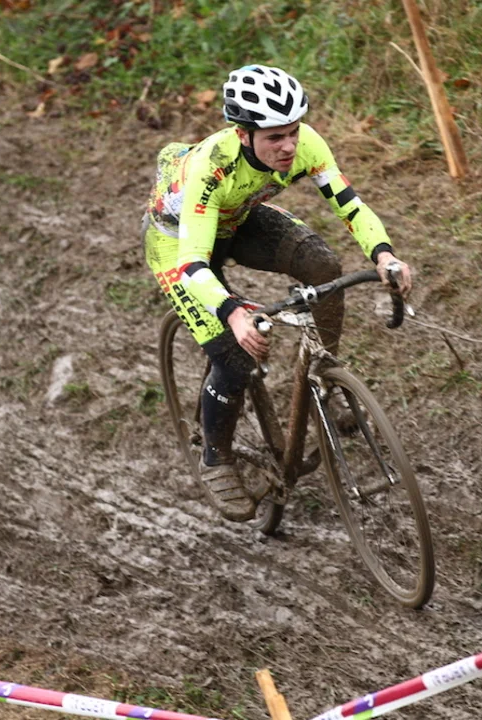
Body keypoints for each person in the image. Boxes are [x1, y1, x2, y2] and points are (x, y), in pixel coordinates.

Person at [143, 64, 414, 522]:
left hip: (237, 219)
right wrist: (233, 312)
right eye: (274, 138)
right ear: (243, 135)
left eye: (293, 131)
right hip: (179, 244)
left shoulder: (306, 144)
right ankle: (215, 458)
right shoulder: (211, 167)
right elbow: (191, 262)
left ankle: (323, 376)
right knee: (236, 353)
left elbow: (350, 206)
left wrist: (384, 255)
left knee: (322, 265)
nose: (289, 146)